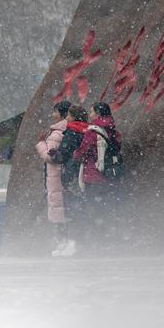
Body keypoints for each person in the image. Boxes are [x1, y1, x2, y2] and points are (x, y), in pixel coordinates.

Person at [72, 101, 122, 250]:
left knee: (93, 210)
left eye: (92, 112)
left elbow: (82, 151)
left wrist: (75, 155)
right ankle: (109, 241)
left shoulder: (93, 131)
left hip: (93, 175)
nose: (91, 114)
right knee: (107, 210)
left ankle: (95, 244)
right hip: (109, 175)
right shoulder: (112, 130)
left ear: (98, 114)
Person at [49, 104, 89, 257]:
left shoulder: (71, 132)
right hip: (86, 174)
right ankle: (83, 241)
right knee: (83, 206)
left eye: (69, 116)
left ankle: (72, 243)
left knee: (71, 208)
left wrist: (54, 154)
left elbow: (63, 155)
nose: (67, 118)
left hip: (72, 174)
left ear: (73, 117)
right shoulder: (88, 130)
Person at [35, 101, 71, 255]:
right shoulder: (69, 129)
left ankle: (62, 244)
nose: (53, 115)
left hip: (56, 176)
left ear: (62, 114)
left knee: (59, 212)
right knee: (63, 210)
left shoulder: (57, 132)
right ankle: (65, 243)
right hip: (61, 175)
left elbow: (50, 156)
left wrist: (40, 144)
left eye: (55, 112)